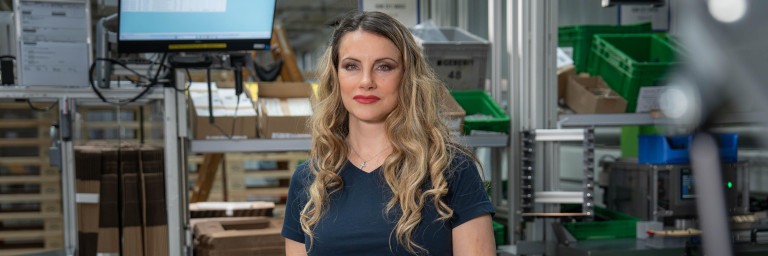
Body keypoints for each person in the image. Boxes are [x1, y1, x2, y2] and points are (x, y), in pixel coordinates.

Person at [281, 11, 496, 256]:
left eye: (384, 67)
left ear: (407, 77)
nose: (366, 81)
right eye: (351, 66)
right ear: (336, 77)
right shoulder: (309, 180)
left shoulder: (451, 170)